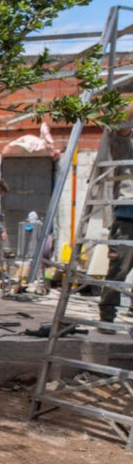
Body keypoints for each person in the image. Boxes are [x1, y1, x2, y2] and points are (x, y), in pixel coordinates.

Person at [99, 120, 133, 333]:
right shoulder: (126, 146)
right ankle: (107, 316)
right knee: (119, 269)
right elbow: (121, 127)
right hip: (128, 217)